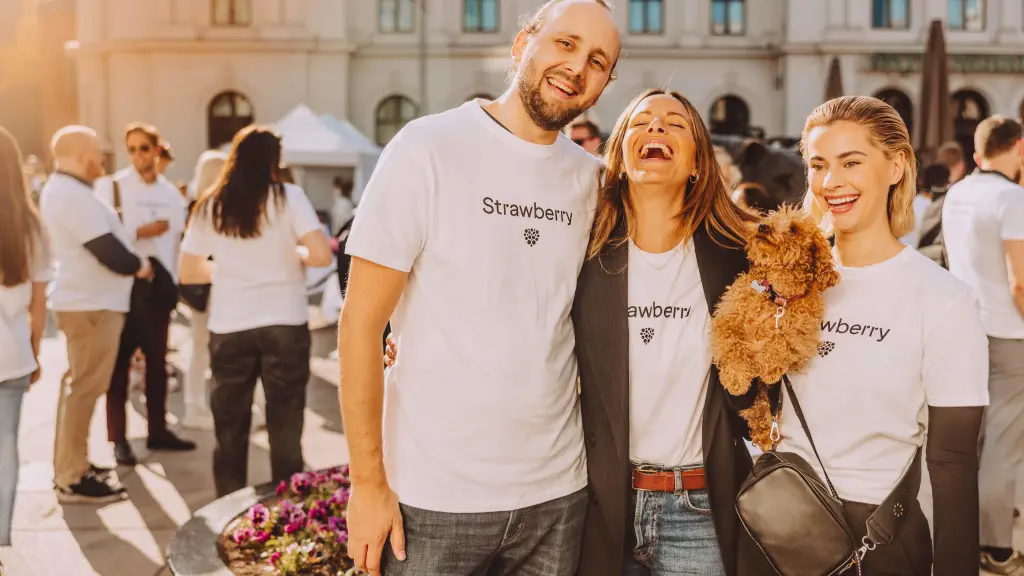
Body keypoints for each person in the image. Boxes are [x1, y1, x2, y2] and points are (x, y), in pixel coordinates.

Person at [339, 1, 619, 574]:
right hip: (432, 497)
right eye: (565, 44)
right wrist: (367, 485)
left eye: (597, 60)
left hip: (557, 495)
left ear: (602, 86)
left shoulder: (592, 181)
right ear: (523, 46)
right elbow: (361, 326)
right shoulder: (425, 148)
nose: (576, 67)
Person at [760, 95, 987, 574]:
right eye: (818, 165)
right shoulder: (786, 283)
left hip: (878, 541)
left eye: (851, 162)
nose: (831, 182)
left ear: (897, 166)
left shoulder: (945, 300)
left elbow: (952, 462)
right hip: (774, 524)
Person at [179, 125, 332, 497]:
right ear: (272, 161)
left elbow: (188, 271)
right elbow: (322, 254)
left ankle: (228, 511)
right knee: (285, 424)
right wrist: (292, 255)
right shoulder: (289, 198)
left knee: (229, 428)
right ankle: (287, 514)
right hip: (285, 320)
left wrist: (228, 270)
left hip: (230, 323)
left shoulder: (211, 203)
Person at [40, 125, 151, 503]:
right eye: (95, 152)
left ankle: (73, 464)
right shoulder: (71, 194)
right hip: (91, 305)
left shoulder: (72, 191)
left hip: (91, 302)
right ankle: (72, 476)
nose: (101, 160)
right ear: (77, 155)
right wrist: (141, 265)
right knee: (85, 390)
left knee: (80, 387)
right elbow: (109, 252)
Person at [940, 115, 1024, 573]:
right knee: (1003, 444)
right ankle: (994, 547)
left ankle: (958, 535)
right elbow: (1020, 283)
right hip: (1010, 333)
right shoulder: (1012, 198)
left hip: (967, 329)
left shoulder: (959, 192)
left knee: (967, 441)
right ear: (1019, 147)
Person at [95, 122, 195, 465]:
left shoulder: (170, 193)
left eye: (144, 148)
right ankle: (118, 439)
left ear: (157, 149)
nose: (138, 155)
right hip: (124, 288)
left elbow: (178, 242)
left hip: (159, 288)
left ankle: (158, 430)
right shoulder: (113, 188)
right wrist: (140, 231)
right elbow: (103, 237)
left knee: (157, 362)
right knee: (120, 364)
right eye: (132, 148)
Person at [0, 127, 53, 546]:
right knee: (5, 454)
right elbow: (39, 304)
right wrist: (35, 354)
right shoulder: (31, 226)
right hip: (13, 355)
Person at [179, 149, 227, 431]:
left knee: (203, 348)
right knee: (200, 349)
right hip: (205, 289)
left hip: (206, 288)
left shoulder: (198, 205)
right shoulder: (206, 207)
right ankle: (194, 406)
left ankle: (197, 404)